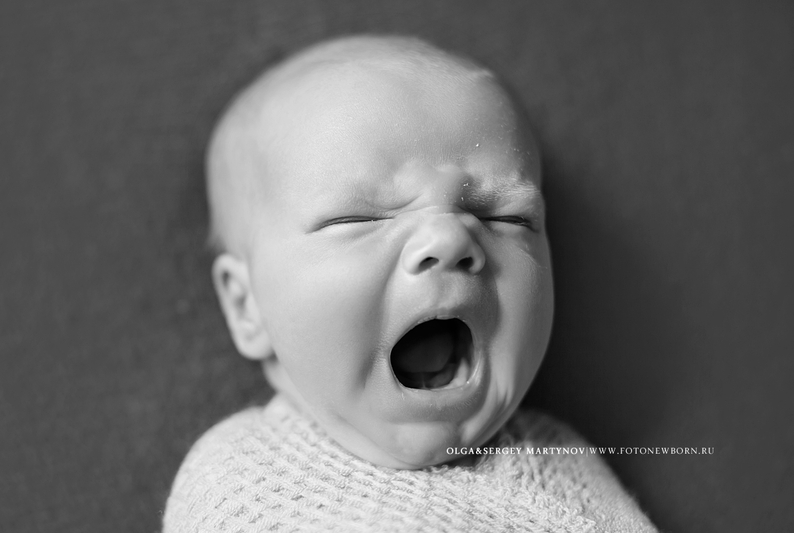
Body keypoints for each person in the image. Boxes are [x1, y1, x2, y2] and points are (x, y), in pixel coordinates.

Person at [163, 34, 657, 532]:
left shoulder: (564, 458)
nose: (449, 238)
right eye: (357, 219)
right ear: (246, 305)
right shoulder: (239, 479)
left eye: (507, 217)